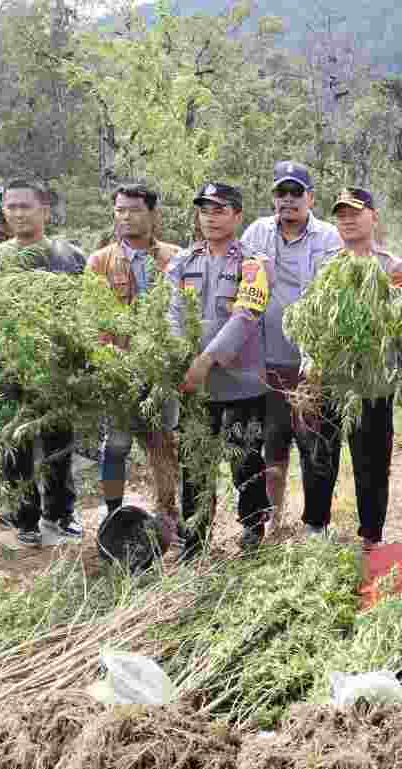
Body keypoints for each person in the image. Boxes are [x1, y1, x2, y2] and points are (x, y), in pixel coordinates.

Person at [239, 160, 343, 534]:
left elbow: (330, 297)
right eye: (281, 193)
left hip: (311, 366)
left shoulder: (329, 238)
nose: (288, 200)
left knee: (316, 449)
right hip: (263, 363)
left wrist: (317, 360)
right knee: (271, 448)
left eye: (295, 192)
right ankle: (273, 521)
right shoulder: (254, 233)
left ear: (310, 197)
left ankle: (316, 525)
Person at [308, 187, 402, 549]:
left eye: (355, 212)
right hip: (329, 381)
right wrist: (309, 361)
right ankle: (316, 528)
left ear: (373, 216)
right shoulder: (326, 264)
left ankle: (371, 536)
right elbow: (312, 320)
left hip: (372, 384)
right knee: (320, 455)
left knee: (371, 463)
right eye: (341, 214)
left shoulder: (392, 267)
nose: (348, 220)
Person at [0, 178, 88, 547]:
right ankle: (23, 518)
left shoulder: (69, 256)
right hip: (11, 367)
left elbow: (85, 311)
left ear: (44, 210)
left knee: (59, 443)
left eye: (24, 206)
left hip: (58, 368)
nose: (16, 213)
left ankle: (60, 514)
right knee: (17, 446)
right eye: (10, 207)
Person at [171, 182, 272, 554]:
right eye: (205, 210)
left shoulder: (255, 263)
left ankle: (253, 530)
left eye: (220, 210)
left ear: (237, 216)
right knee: (194, 462)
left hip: (242, 383)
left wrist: (207, 358)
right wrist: (182, 357)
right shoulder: (183, 260)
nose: (211, 218)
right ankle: (195, 537)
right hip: (193, 384)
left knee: (244, 458)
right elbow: (171, 311)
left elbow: (246, 315)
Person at [85, 182, 181, 540]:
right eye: (120, 210)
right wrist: (108, 360)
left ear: (153, 215)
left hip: (161, 372)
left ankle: (168, 514)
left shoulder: (175, 257)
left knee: (162, 442)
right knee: (116, 444)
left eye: (135, 210)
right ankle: (114, 517)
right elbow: (92, 317)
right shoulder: (100, 261)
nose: (126, 217)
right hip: (119, 372)